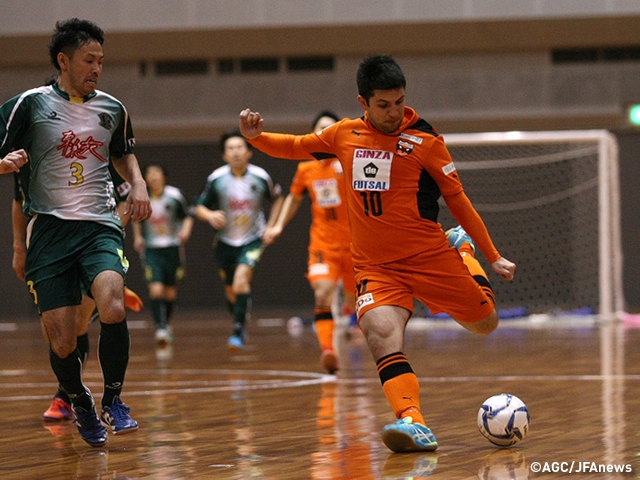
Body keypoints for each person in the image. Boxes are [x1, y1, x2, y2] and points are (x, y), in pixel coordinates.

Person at [239, 54, 516, 453]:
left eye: (400, 102)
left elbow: (459, 201)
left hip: (429, 256)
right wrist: (256, 137)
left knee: (485, 324)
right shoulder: (343, 135)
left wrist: (491, 255)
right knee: (380, 334)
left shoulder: (425, 141)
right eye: (384, 105)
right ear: (363, 102)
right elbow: (296, 146)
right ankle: (413, 421)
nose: (394, 112)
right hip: (376, 266)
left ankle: (464, 251)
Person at [0, 18, 151, 447]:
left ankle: (115, 400)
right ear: (64, 61)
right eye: (89, 59)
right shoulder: (27, 105)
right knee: (64, 341)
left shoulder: (112, 108)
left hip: (99, 225)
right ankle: (79, 401)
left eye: (101, 60)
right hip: (47, 232)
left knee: (113, 305)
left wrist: (136, 182)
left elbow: (123, 154)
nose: (97, 68)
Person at [12, 169, 144, 424]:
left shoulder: (91, 142)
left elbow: (126, 195)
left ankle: (70, 398)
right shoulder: (24, 147)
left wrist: (109, 230)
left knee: (79, 322)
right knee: (57, 336)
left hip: (92, 239)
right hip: (48, 245)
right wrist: (18, 247)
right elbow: (19, 201)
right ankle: (74, 395)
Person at [263, 110, 357, 374]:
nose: (325, 134)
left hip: (356, 245)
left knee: (353, 299)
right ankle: (328, 350)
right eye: (320, 129)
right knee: (323, 293)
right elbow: (293, 198)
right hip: (323, 244)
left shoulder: (349, 161)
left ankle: (349, 317)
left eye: (330, 129)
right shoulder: (305, 168)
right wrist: (278, 224)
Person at [195, 130, 283, 351]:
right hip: (224, 243)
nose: (235, 152)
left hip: (252, 240)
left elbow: (278, 199)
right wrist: (210, 215)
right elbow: (199, 207)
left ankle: (237, 331)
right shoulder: (217, 179)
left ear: (249, 151)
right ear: (224, 155)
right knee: (231, 291)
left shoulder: (261, 177)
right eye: (230, 149)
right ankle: (240, 316)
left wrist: (272, 225)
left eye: (239, 147)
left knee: (241, 281)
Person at [132, 163, 194, 346]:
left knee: (169, 293)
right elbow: (136, 218)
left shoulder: (175, 196)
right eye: (149, 174)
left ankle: (166, 324)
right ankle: (160, 327)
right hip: (152, 250)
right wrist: (137, 237)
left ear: (164, 176)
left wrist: (185, 232)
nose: (153, 177)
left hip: (172, 248)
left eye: (157, 173)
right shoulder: (142, 198)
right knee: (156, 289)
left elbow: (188, 214)